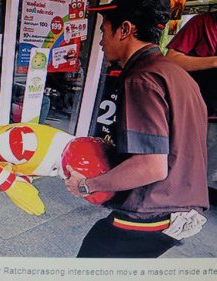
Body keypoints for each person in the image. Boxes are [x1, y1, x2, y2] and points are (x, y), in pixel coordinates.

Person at [64, 0, 209, 258]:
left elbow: (151, 165)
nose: (100, 42)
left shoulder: (141, 78)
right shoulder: (177, 74)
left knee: (92, 257)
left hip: (153, 209)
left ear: (125, 29)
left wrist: (86, 185)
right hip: (183, 206)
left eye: (103, 32)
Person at [165, 11, 217, 198]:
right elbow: (171, 58)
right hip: (197, 110)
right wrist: (213, 61)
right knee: (182, 163)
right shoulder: (203, 22)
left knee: (205, 173)